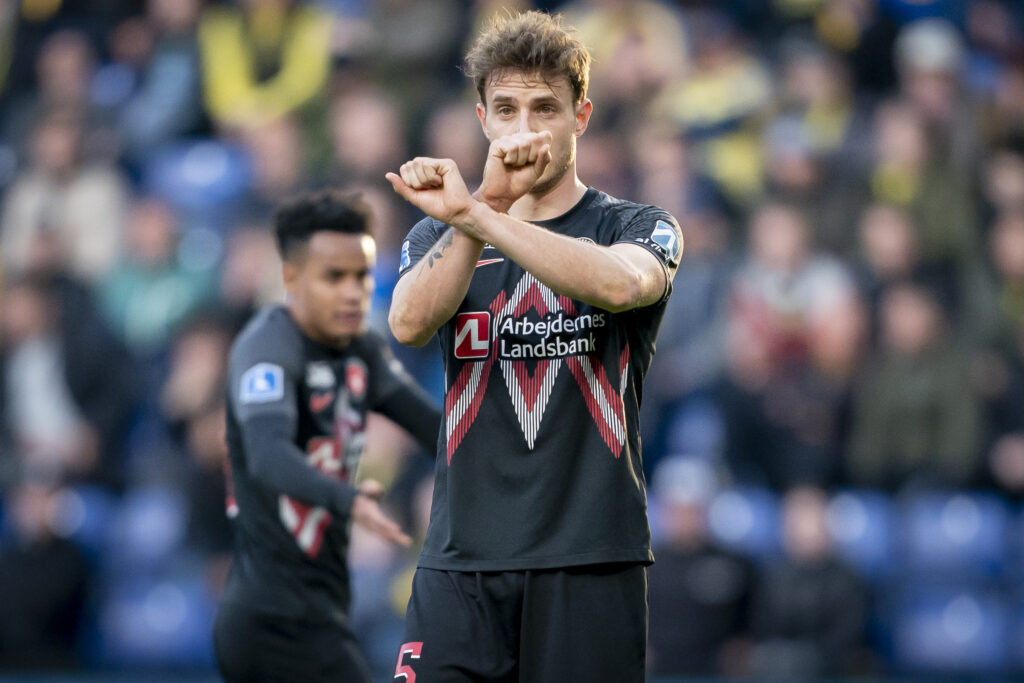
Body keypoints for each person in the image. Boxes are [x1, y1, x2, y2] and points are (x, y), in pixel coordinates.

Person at [386, 10, 683, 682]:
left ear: (581, 117)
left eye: (545, 108)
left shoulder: (635, 224)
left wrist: (480, 214)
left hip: (590, 560)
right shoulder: (448, 233)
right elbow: (407, 321)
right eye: (507, 109)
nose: (524, 130)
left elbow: (619, 282)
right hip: (460, 559)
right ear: (482, 119)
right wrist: (478, 215)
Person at [213, 190, 441, 683]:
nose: (353, 292)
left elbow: (437, 431)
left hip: (323, 614)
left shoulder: (363, 351)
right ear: (291, 278)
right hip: (268, 623)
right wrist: (346, 499)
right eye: (333, 277)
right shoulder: (267, 350)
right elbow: (266, 454)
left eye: (361, 275)